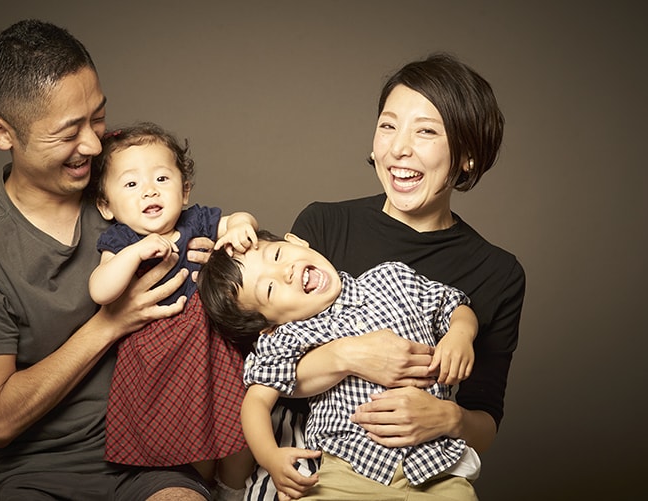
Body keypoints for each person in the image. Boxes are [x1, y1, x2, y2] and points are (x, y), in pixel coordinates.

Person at [0, 19, 213, 500]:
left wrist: (212, 264)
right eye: (68, 132)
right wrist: (109, 324)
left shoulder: (131, 192)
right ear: (3, 133)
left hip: (152, 459)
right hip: (36, 473)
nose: (92, 144)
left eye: (97, 118)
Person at [244, 53, 526, 500]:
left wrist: (445, 418)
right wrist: (348, 355)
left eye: (427, 131)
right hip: (329, 465)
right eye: (388, 125)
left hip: (430, 474)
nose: (398, 149)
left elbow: (485, 420)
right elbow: (265, 364)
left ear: (468, 155)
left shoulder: (497, 272)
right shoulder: (324, 226)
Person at [197, 230, 481, 500]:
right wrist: (270, 457)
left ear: (297, 242)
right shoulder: (288, 336)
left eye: (277, 255)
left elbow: (453, 305)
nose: (285, 272)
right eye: (270, 289)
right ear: (267, 325)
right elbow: (256, 402)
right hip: (348, 470)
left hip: (438, 466)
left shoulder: (391, 278)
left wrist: (460, 334)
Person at [89, 121, 257, 499]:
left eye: (162, 178)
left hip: (213, 351)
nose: (149, 189)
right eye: (131, 184)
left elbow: (239, 218)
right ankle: (201, 488)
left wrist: (239, 228)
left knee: (240, 429)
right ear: (106, 205)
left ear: (184, 192)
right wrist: (133, 254)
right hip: (159, 364)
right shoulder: (121, 240)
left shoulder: (195, 221)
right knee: (185, 446)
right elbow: (101, 289)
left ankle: (234, 490)